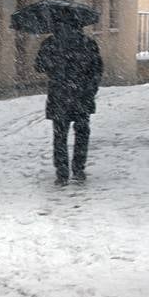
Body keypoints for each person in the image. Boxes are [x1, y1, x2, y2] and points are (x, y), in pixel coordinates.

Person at [34, 20, 103, 185]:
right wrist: (91, 89)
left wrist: (53, 66)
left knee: (60, 135)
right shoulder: (88, 43)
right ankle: (78, 169)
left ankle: (62, 172)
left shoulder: (50, 43)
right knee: (82, 133)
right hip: (82, 95)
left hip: (59, 95)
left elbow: (38, 66)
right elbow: (97, 70)